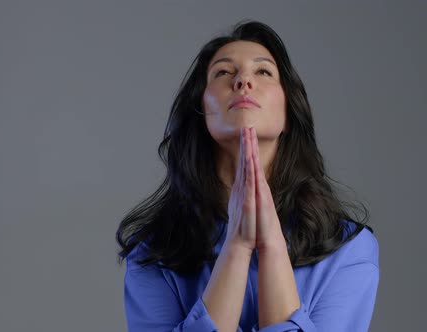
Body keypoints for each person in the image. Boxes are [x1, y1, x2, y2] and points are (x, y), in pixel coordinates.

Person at [116, 20, 379, 332]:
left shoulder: (348, 250)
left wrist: (273, 248)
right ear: (201, 110)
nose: (243, 81)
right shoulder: (153, 253)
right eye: (223, 72)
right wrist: (237, 247)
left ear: (288, 114)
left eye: (263, 72)